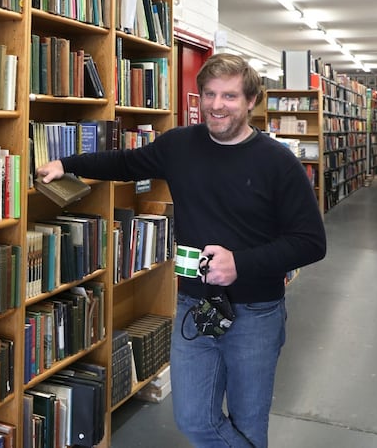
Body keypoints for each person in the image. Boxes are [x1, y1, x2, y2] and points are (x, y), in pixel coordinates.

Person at [37, 53, 326, 447]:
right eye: (209, 94)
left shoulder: (279, 163)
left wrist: (240, 263)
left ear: (251, 101)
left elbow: (311, 242)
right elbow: (125, 162)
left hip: (257, 313)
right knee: (193, 420)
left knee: (248, 423)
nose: (216, 105)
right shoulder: (180, 145)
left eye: (229, 96)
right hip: (195, 303)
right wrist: (66, 163)